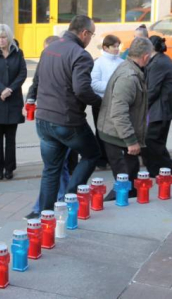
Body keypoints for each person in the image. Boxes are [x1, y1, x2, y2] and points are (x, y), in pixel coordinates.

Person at [36, 15, 102, 211]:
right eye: (92, 35)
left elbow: (37, 80)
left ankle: (45, 216)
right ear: (84, 33)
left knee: (51, 170)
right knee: (93, 154)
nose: (91, 39)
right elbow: (82, 89)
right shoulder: (80, 54)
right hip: (66, 120)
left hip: (44, 119)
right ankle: (67, 200)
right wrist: (100, 102)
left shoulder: (50, 49)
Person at [97, 37, 151, 200]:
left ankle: (128, 206)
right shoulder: (129, 76)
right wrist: (131, 140)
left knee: (130, 177)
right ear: (146, 57)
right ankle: (104, 208)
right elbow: (118, 112)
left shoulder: (128, 67)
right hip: (117, 136)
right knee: (125, 179)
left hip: (116, 133)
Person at [24, 35, 70, 220]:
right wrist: (30, 101)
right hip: (49, 120)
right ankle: (61, 199)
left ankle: (44, 206)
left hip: (60, 121)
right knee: (59, 166)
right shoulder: (48, 63)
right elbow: (35, 83)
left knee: (55, 167)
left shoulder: (61, 64)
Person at [0, 24, 27, 180]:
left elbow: (22, 74)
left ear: (8, 37)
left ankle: (10, 168)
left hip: (13, 100)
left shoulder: (18, 52)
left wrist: (10, 89)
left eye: (3, 37)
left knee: (11, 137)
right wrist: (2, 89)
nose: (0, 40)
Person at [141, 36, 172, 177]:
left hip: (160, 109)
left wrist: (141, 106)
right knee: (155, 142)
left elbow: (152, 89)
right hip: (160, 108)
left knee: (151, 141)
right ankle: (158, 170)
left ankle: (168, 168)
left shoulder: (159, 63)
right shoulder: (160, 60)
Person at [91, 34, 124, 168]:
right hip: (101, 102)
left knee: (115, 131)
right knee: (101, 131)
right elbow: (93, 83)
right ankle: (101, 158)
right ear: (105, 47)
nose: (116, 49)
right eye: (113, 46)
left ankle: (114, 158)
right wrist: (113, 85)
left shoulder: (122, 62)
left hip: (117, 103)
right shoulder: (98, 63)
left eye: (118, 46)